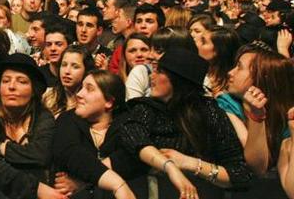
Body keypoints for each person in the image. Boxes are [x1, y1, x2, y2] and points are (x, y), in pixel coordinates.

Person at [120, 48, 251, 199]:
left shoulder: (209, 111)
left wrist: (190, 163)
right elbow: (134, 136)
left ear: (178, 79)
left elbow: (240, 174)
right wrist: (170, 167)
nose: (152, 76)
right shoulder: (146, 108)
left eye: (159, 71)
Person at [0, 52, 65, 199]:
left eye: (21, 81)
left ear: (33, 90)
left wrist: (6, 149)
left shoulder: (43, 116)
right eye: (5, 81)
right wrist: (36, 188)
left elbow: (42, 155)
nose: (11, 86)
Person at [53, 70, 147, 199]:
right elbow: (71, 154)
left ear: (109, 101)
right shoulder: (67, 119)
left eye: (89, 89)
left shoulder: (128, 125)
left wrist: (83, 182)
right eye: (81, 88)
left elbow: (130, 157)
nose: (79, 94)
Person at [218, 42, 294, 198]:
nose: (230, 72)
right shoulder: (225, 104)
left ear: (261, 77)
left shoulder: (284, 113)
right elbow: (257, 166)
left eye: (239, 67)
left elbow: (291, 190)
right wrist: (256, 117)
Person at [42, 45, 94, 117]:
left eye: (75, 67)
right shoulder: (48, 97)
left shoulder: (91, 102)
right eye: (64, 65)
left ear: (86, 70)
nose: (67, 71)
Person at [197, 26, 241, 96]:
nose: (196, 42)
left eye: (203, 41)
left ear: (218, 52)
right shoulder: (196, 68)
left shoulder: (227, 90)